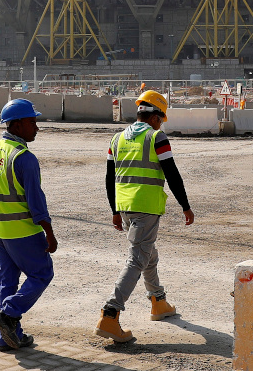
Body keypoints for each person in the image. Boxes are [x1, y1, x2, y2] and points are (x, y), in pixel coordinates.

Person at [95, 90, 194, 343]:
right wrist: (185, 205)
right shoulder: (156, 137)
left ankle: (158, 301)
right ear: (155, 117)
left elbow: (109, 178)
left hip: (125, 206)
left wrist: (114, 210)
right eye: (161, 119)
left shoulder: (116, 139)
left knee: (148, 253)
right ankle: (110, 313)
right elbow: (172, 173)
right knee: (137, 259)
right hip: (146, 206)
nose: (161, 124)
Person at [0, 99, 58, 352]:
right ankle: (9, 314)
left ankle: (7, 338)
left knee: (7, 281)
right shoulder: (24, 158)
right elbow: (37, 202)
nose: (36, 127)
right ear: (16, 125)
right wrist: (49, 233)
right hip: (23, 231)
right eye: (32, 122)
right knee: (42, 274)